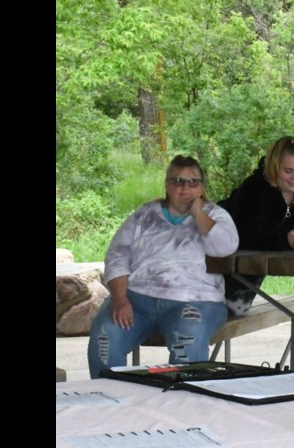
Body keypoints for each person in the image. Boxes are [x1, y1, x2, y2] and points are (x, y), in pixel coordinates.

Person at [87, 155, 240, 378]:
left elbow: (225, 247)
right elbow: (117, 255)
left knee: (190, 336)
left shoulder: (215, 215)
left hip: (196, 300)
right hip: (137, 299)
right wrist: (120, 299)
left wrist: (198, 213)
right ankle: (110, 399)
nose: (185, 188)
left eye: (193, 182)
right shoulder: (144, 214)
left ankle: (185, 405)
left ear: (201, 187)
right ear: (167, 185)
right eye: (177, 181)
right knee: (105, 335)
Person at [217, 136, 294, 316]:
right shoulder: (254, 187)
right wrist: (283, 240)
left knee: (235, 310)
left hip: (256, 256)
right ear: (274, 166)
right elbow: (242, 234)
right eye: (288, 171)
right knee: (231, 311)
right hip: (218, 242)